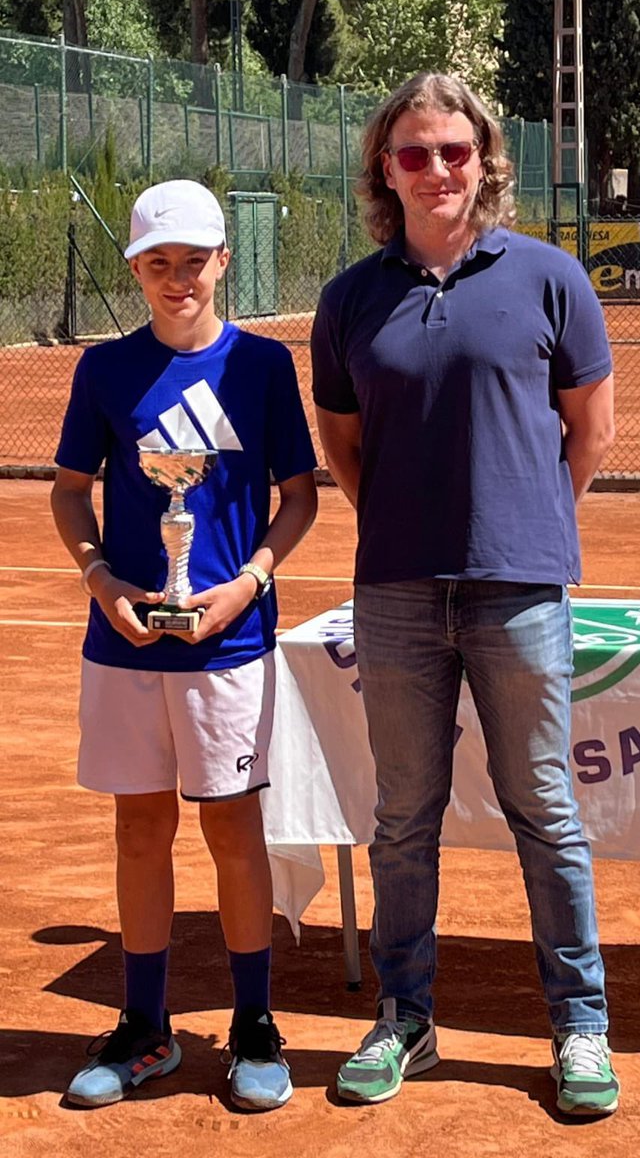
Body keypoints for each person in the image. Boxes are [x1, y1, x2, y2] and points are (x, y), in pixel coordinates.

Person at [310, 74, 618, 1116]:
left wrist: (520, 520)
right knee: (404, 819)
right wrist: (407, 524)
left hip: (519, 589)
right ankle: (407, 1018)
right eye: (412, 153)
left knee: (546, 813)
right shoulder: (351, 297)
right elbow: (343, 446)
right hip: (395, 591)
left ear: (486, 161)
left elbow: (591, 432)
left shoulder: (549, 276)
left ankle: (580, 1028)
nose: (435, 169)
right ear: (383, 170)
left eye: (453, 151)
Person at [51, 179, 318, 1111]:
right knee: (139, 830)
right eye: (157, 264)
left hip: (228, 645)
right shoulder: (103, 371)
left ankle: (252, 1025)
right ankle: (147, 1028)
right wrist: (103, 581)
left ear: (223, 262)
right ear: (136, 269)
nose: (177, 280)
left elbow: (299, 498)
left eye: (193, 262)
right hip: (124, 641)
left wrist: (245, 583)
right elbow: (68, 491)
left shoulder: (264, 367)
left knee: (232, 830)